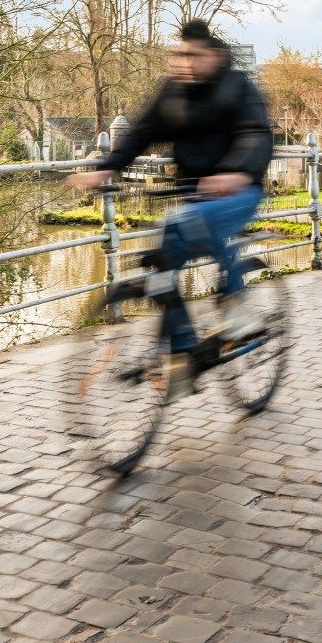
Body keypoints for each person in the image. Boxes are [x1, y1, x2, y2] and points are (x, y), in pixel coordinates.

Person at [66, 20, 272, 383]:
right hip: (194, 194)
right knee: (163, 260)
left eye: (195, 56)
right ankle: (181, 352)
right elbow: (141, 134)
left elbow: (255, 134)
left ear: (215, 55)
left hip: (240, 192)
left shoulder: (237, 88)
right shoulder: (173, 93)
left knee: (186, 224)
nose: (186, 63)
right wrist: (107, 168)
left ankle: (237, 313)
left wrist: (237, 172)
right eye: (180, 55)